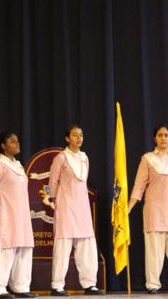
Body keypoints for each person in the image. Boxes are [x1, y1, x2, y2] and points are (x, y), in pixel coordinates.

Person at [128, 124, 168, 294]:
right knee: (154, 250)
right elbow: (139, 186)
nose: (163, 138)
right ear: (154, 138)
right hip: (155, 210)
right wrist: (129, 206)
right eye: (160, 135)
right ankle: (153, 284)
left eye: (166, 135)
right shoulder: (147, 159)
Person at [48, 125, 103, 296]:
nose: (79, 138)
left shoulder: (84, 157)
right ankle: (57, 285)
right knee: (63, 246)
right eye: (75, 135)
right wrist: (55, 200)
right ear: (67, 138)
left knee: (86, 245)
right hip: (66, 205)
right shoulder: (61, 158)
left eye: (81, 135)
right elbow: (53, 181)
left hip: (82, 207)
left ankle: (90, 284)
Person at [0, 131, 37, 299]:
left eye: (18, 141)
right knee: (5, 248)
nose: (17, 143)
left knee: (23, 247)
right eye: (12, 141)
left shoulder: (19, 166)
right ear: (3, 145)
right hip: (5, 212)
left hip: (21, 213)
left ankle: (21, 286)